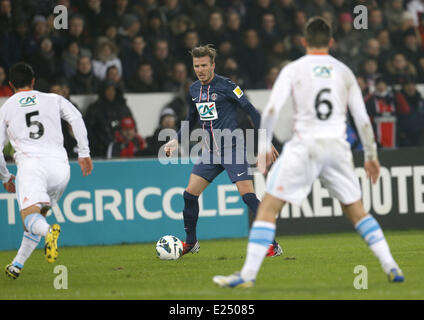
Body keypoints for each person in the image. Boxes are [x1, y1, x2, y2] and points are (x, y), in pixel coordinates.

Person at [213, 17, 404, 288]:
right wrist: (372, 157)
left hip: (305, 146)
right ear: (331, 42)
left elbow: (269, 111)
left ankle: (247, 275)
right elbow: (362, 120)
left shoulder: (293, 69)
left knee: (267, 207)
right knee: (357, 211)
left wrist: (264, 147)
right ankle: (391, 266)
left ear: (304, 41)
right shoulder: (344, 72)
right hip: (337, 148)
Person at [164, 45, 281, 257]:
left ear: (213, 65)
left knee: (248, 197)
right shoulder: (193, 90)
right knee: (189, 195)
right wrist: (175, 139)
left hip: (232, 147)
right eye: (196, 66)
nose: (200, 70)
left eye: (204, 66)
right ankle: (191, 243)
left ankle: (272, 244)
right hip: (209, 151)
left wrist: (265, 140)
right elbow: (191, 119)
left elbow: (252, 112)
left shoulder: (227, 86)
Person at [1, 62, 92, 279]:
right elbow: (76, 118)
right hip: (60, 168)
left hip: (32, 167)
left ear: (11, 84)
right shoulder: (53, 98)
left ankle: (50, 232)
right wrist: (84, 152)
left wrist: (5, 177)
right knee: (38, 216)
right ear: (33, 81)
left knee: (30, 218)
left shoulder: (6, 107)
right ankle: (17, 264)